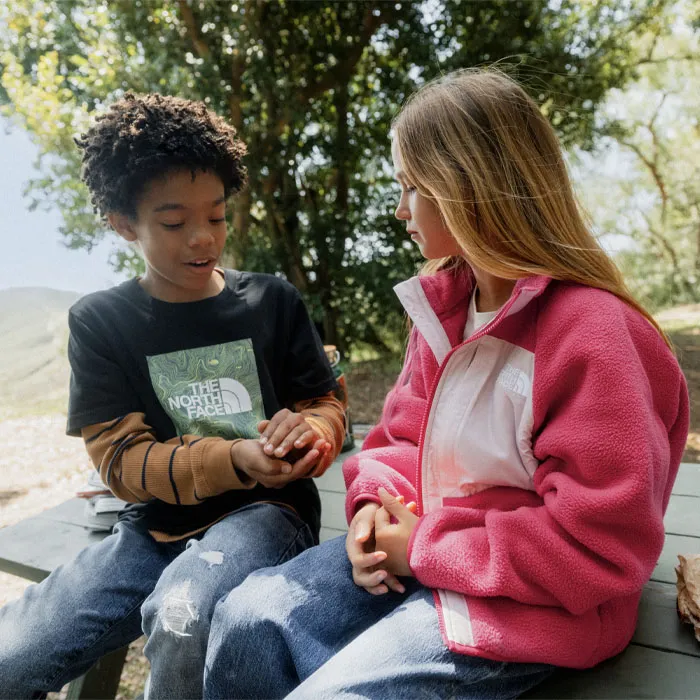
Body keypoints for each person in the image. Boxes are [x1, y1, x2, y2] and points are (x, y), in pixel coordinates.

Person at [202, 68, 690, 700]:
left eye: (412, 186)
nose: (400, 209)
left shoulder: (594, 334)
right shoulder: (442, 312)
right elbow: (401, 438)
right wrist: (374, 509)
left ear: (468, 187)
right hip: (423, 553)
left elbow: (600, 546)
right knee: (247, 619)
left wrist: (425, 549)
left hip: (530, 608)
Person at [0, 93, 345, 699]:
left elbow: (324, 404)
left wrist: (311, 433)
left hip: (266, 514)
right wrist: (232, 457)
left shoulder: (273, 301)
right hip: (151, 528)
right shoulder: (101, 322)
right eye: (173, 223)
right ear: (123, 223)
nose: (202, 238)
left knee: (182, 616)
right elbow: (120, 461)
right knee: (11, 655)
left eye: (216, 216)